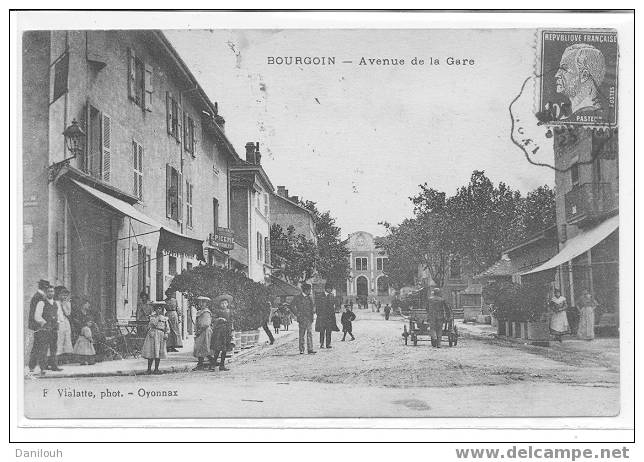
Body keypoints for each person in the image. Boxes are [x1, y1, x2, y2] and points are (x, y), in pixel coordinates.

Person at [27, 280, 53, 375]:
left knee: (37, 346)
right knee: (43, 347)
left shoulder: (37, 296)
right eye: (47, 288)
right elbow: (37, 315)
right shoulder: (41, 298)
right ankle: (42, 368)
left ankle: (32, 367)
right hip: (41, 326)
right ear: (45, 288)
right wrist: (45, 323)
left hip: (36, 326)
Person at [141, 302, 169, 374]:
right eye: (157, 309)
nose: (158, 310)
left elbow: (167, 328)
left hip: (160, 335)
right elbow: (149, 326)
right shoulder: (152, 317)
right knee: (151, 351)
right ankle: (149, 369)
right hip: (152, 335)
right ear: (155, 309)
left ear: (162, 309)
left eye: (160, 308)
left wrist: (166, 334)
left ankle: (156, 369)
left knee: (158, 352)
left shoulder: (164, 318)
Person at [290, 283, 316, 355]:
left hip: (309, 318)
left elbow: (313, 306)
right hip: (301, 318)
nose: (310, 291)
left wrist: (313, 313)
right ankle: (301, 349)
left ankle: (310, 349)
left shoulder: (310, 298)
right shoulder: (297, 297)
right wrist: (297, 314)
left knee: (309, 333)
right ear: (305, 290)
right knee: (302, 334)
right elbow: (291, 306)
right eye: (309, 290)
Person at [211, 294, 234, 371]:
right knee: (217, 349)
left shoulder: (230, 312)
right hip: (219, 332)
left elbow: (231, 322)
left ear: (227, 304)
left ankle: (222, 365)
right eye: (222, 303)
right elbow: (213, 320)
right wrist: (219, 319)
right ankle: (213, 365)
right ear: (220, 305)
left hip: (227, 332)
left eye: (225, 303)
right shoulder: (218, 312)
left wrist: (232, 331)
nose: (224, 305)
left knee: (224, 349)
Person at [192, 296, 215, 371]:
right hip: (200, 331)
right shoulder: (200, 312)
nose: (201, 304)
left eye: (203, 302)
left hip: (205, 331)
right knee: (199, 348)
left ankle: (211, 362)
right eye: (200, 302)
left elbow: (206, 324)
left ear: (206, 304)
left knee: (205, 348)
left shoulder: (206, 312)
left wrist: (199, 330)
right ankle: (201, 364)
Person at [315, 282, 339, 349]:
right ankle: (321, 343)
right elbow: (317, 306)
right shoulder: (320, 296)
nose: (330, 290)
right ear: (326, 289)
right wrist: (319, 314)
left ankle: (328, 344)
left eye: (331, 289)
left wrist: (335, 311)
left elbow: (335, 305)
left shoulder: (332, 296)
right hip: (322, 317)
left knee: (329, 330)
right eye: (329, 289)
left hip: (330, 317)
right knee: (322, 331)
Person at [54, 286, 73, 362]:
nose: (64, 296)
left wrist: (64, 304)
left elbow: (68, 313)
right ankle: (57, 358)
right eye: (63, 295)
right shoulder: (56, 303)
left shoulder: (67, 303)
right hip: (59, 322)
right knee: (59, 340)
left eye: (66, 295)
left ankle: (64, 358)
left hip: (65, 322)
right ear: (59, 295)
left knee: (66, 339)